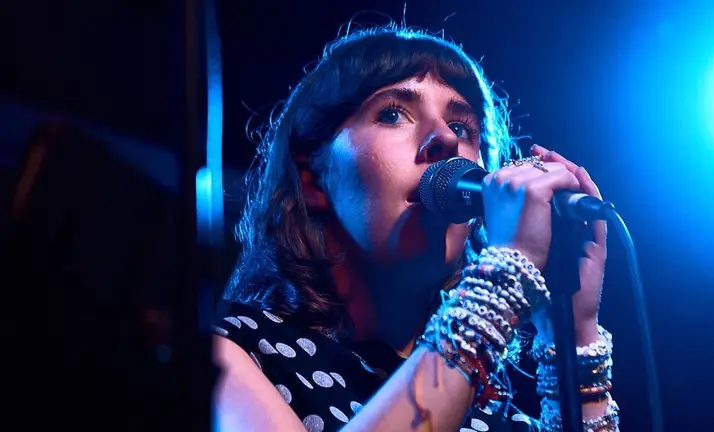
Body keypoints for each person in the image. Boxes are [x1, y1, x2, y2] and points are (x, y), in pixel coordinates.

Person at [213, 24, 618, 432]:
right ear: (312, 181)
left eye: (461, 127)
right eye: (392, 114)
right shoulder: (227, 357)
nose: (445, 139)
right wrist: (507, 272)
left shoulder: (500, 420)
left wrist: (573, 333)